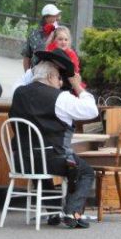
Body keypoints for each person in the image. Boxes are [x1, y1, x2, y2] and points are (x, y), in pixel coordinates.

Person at [8, 49, 99, 229]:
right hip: (52, 160)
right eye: (59, 77)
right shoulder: (60, 98)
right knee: (86, 171)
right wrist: (78, 86)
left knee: (42, 163)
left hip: (22, 160)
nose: (61, 82)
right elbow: (92, 111)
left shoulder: (17, 92)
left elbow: (27, 78)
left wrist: (38, 66)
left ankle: (52, 212)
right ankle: (72, 211)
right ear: (50, 77)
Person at [21, 3, 61, 71]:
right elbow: (27, 56)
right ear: (46, 18)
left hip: (55, 74)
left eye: (56, 16)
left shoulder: (60, 33)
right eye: (54, 16)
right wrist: (27, 75)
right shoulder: (34, 34)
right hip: (37, 73)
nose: (57, 18)